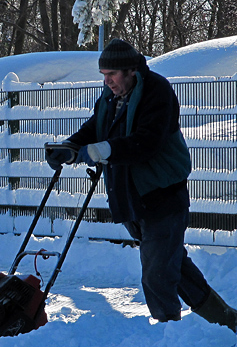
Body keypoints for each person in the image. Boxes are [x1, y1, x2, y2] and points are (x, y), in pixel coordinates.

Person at [46, 38, 237, 331]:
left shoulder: (157, 92)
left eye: (112, 74)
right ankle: (226, 323)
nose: (107, 81)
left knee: (157, 273)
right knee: (174, 266)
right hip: (131, 200)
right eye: (104, 75)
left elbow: (148, 142)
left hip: (162, 197)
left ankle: (166, 333)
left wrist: (104, 150)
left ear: (131, 70)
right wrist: (70, 146)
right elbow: (95, 127)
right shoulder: (110, 98)